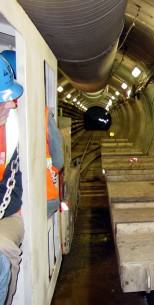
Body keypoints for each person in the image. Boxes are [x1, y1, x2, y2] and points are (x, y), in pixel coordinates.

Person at [0, 53, 23, 305]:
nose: (13, 104)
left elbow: (11, 190)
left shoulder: (12, 130)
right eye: (2, 100)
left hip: (6, 214)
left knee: (2, 261)